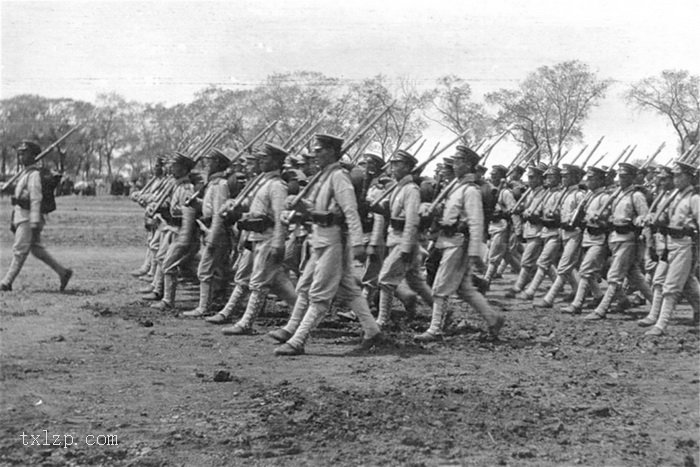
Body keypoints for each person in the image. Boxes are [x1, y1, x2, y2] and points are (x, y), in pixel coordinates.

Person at [270, 134, 384, 356]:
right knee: (321, 287)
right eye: (314, 150)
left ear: (332, 151)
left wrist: (358, 242)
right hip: (319, 238)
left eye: (320, 150)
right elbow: (315, 207)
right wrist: (298, 208)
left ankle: (298, 340)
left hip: (334, 240)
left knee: (319, 293)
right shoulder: (323, 176)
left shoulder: (340, 177)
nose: (315, 154)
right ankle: (373, 331)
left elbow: (350, 211)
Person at [414, 146, 505, 342]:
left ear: (468, 165)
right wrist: (432, 209)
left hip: (458, 242)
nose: (454, 165)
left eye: (458, 162)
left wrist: (474, 253)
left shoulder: (471, 190)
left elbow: (476, 221)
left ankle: (435, 328)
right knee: (464, 289)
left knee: (440, 286)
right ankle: (493, 317)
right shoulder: (456, 187)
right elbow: (449, 212)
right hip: (446, 240)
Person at [220, 143, 298, 335]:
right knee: (279, 282)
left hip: (269, 237)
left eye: (266, 158)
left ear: (277, 161)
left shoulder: (278, 186)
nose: (261, 161)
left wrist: (278, 243)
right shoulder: (263, 182)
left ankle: (246, 323)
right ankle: (301, 312)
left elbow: (281, 216)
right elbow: (253, 205)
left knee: (259, 283)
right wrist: (235, 205)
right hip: (256, 236)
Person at [1, 140, 72, 292]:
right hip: (22, 217)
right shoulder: (25, 173)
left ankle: (6, 282)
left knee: (19, 250)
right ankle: (63, 272)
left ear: (34, 156)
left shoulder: (33, 175)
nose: (21, 157)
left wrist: (34, 221)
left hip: (29, 218)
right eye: (20, 154)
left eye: (24, 153)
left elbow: (36, 198)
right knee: (36, 250)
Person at [583, 162, 652, 320]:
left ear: (632, 178)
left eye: (624, 176)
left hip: (628, 238)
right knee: (635, 275)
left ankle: (601, 309)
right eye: (620, 176)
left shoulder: (637, 195)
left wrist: (636, 221)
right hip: (614, 237)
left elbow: (645, 217)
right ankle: (657, 305)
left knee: (614, 276)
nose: (620, 179)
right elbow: (611, 216)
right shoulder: (616, 194)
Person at [374, 150, 433, 329]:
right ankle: (445, 312)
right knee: (416, 282)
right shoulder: (397, 187)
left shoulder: (411, 189)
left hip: (404, 241)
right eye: (392, 164)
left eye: (397, 164)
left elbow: (412, 220)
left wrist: (407, 246)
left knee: (385, 279)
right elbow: (390, 212)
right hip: (394, 238)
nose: (392, 168)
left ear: (407, 167)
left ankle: (382, 320)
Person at [642, 161, 700, 335]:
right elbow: (665, 219)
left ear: (689, 177)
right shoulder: (674, 196)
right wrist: (652, 218)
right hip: (669, 243)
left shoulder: (694, 198)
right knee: (662, 280)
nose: (675, 179)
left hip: (685, 244)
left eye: (679, 175)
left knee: (671, 286)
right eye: (674, 175)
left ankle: (661, 324)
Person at [182, 148, 233, 317]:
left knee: (205, 270)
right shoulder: (213, 183)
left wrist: (213, 235)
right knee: (215, 270)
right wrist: (197, 203)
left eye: (210, 161)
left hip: (216, 231)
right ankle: (214, 302)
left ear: (218, 163)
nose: (206, 164)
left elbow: (219, 212)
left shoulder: (221, 185)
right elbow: (209, 207)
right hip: (211, 228)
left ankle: (204, 307)